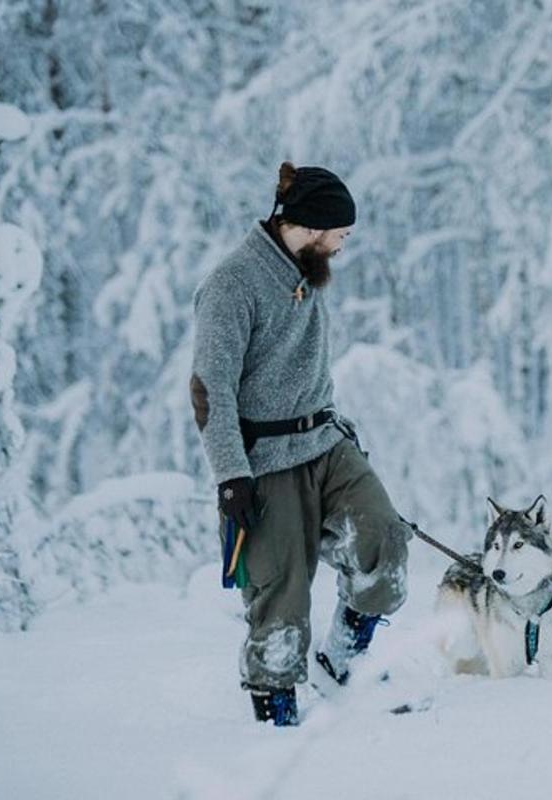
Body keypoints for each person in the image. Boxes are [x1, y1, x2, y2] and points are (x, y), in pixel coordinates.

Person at [189, 162, 410, 726]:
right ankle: (276, 724)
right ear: (312, 227)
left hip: (326, 444)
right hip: (264, 463)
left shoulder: (304, 270)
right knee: (280, 602)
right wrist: (231, 475)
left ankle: (342, 659)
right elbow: (210, 391)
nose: (341, 247)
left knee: (384, 540)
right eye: (340, 235)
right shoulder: (232, 285)